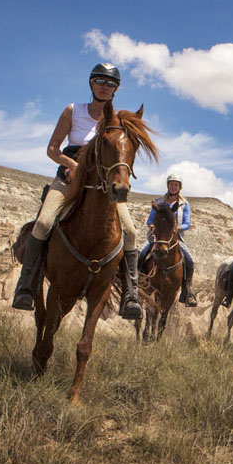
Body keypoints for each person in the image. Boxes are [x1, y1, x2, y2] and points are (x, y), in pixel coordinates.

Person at [11, 63, 145, 319]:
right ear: (91, 83)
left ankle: (131, 294)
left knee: (130, 231)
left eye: (110, 83)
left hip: (102, 185)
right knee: (44, 222)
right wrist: (71, 165)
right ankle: (25, 285)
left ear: (116, 89)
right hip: (68, 179)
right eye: (100, 81)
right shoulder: (73, 111)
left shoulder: (118, 120)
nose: (105, 87)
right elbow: (52, 149)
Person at [137, 173, 198, 307]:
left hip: (175, 237)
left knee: (190, 260)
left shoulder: (184, 205)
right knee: (141, 253)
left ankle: (187, 291)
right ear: (168, 185)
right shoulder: (159, 202)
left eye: (176, 184)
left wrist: (177, 228)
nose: (173, 187)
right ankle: (137, 282)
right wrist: (153, 227)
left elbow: (187, 223)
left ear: (180, 187)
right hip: (158, 237)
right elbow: (150, 220)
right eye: (171, 184)